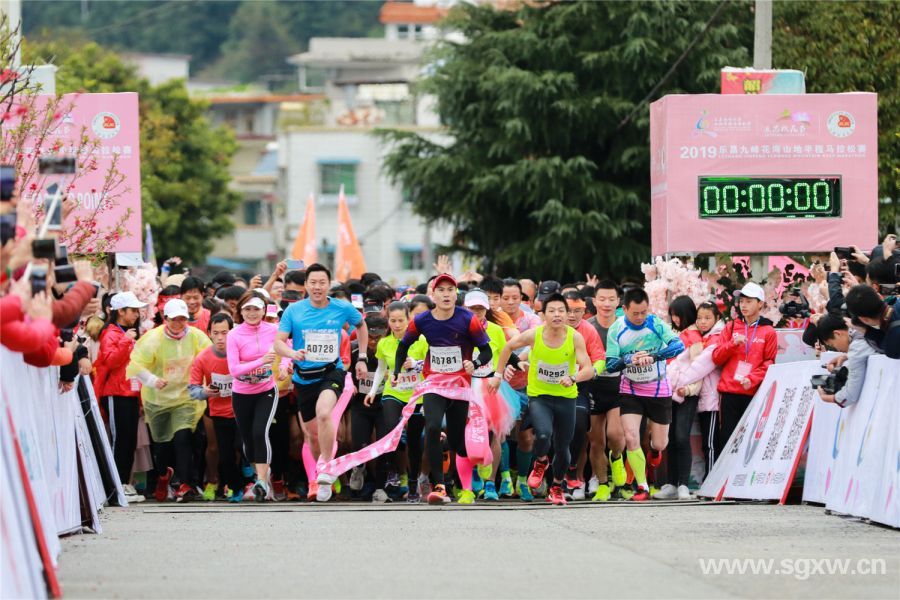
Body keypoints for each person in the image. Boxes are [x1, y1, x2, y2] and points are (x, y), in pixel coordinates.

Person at [393, 273, 493, 505]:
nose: (446, 294)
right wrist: (398, 371)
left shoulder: (468, 319)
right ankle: (439, 486)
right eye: (441, 290)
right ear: (433, 294)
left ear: (455, 294)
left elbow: (486, 351)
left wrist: (474, 363)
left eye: (450, 290)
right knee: (433, 427)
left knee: (457, 441)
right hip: (435, 383)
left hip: (459, 385)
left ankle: (468, 464)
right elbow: (403, 347)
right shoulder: (422, 320)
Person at [275, 263, 368, 502]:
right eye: (313, 283)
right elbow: (278, 343)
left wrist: (363, 357)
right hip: (304, 378)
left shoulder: (341, 307)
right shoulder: (293, 311)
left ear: (329, 285)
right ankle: (320, 471)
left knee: (324, 413)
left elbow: (361, 324)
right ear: (306, 285)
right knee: (313, 436)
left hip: (331, 372)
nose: (317, 287)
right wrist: (291, 353)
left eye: (322, 282)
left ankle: (327, 467)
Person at [490, 293, 595, 505]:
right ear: (543, 315)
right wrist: (498, 375)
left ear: (567, 315)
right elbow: (508, 347)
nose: (557, 315)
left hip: (566, 398)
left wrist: (573, 377)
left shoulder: (574, 337)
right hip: (539, 397)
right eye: (552, 311)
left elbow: (589, 369)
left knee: (563, 446)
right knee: (544, 434)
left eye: (561, 311)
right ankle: (540, 461)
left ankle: (556, 487)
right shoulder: (534, 335)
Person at [126, 299, 211, 502]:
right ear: (166, 319)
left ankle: (184, 484)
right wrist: (153, 380)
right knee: (162, 445)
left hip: (186, 398)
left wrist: (205, 386)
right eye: (174, 319)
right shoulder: (152, 339)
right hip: (158, 401)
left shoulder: (197, 337)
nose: (178, 323)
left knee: (183, 438)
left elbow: (209, 360)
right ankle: (164, 476)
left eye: (183, 319)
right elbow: (135, 366)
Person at [605, 288, 685, 501]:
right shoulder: (616, 329)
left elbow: (679, 345)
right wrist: (628, 361)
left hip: (658, 389)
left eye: (643, 312)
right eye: (635, 313)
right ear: (624, 309)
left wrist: (654, 356)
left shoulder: (655, 324)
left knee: (660, 443)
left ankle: (654, 450)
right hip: (630, 389)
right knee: (631, 437)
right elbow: (610, 365)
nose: (640, 317)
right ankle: (642, 486)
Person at [365, 304, 429, 501]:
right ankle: (385, 480)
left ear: (408, 320)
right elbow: (380, 369)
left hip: (417, 395)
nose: (397, 324)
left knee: (414, 439)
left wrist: (416, 364)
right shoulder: (385, 343)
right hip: (393, 393)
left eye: (401, 320)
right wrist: (373, 391)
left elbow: (430, 365)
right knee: (389, 432)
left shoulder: (421, 340)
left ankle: (412, 484)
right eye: (393, 321)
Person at [226, 291, 286, 502]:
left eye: (256, 309)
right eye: (247, 309)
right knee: (248, 441)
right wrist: (261, 361)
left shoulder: (274, 330)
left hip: (266, 391)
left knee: (261, 431)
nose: (252, 313)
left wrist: (285, 366)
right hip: (241, 393)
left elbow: (287, 348)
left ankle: (261, 481)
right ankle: (260, 471)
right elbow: (234, 369)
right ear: (240, 311)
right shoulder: (234, 335)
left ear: (263, 310)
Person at [94, 291, 147, 503]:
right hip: (116, 394)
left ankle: (123, 483)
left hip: (130, 392)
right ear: (120, 311)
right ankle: (114, 488)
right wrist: (125, 341)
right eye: (132, 310)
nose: (136, 314)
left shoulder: (127, 333)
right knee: (119, 441)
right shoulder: (111, 334)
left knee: (128, 441)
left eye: (137, 310)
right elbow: (111, 363)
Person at [712, 282, 778, 448]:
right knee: (727, 441)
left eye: (749, 301)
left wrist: (753, 378)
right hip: (729, 392)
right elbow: (716, 358)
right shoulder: (731, 326)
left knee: (750, 442)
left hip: (754, 392)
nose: (744, 305)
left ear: (760, 303)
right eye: (741, 301)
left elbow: (770, 362)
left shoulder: (768, 331)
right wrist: (732, 344)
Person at [189, 313, 246, 502]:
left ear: (233, 332)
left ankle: (249, 474)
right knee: (225, 456)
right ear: (209, 334)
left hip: (241, 410)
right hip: (219, 413)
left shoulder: (242, 352)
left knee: (242, 446)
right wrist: (205, 392)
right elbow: (193, 390)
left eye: (225, 332)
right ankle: (236, 488)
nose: (221, 338)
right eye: (216, 333)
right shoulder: (203, 358)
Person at [654, 296, 703, 501]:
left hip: (685, 393)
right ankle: (672, 483)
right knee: (670, 439)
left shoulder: (694, 337)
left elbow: (699, 367)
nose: (675, 318)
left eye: (678, 314)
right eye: (672, 314)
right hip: (668, 391)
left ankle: (683, 483)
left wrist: (689, 389)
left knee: (682, 436)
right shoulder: (673, 334)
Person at [586, 280, 628, 502]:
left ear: (618, 301)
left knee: (615, 434)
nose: (606, 303)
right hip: (593, 387)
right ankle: (603, 484)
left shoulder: (625, 325)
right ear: (594, 301)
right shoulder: (587, 327)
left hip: (618, 386)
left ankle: (618, 458)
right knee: (596, 441)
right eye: (602, 299)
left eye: (611, 299)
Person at [562, 290, 606, 500]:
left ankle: (575, 475)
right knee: (547, 432)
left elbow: (599, 357)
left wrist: (593, 370)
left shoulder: (589, 330)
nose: (572, 315)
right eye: (568, 310)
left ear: (584, 311)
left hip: (578, 385)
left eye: (578, 311)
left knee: (579, 426)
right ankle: (554, 477)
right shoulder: (548, 327)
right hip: (548, 386)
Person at [501, 278, 542, 500]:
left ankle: (523, 480)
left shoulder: (532, 319)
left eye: (515, 298)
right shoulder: (495, 319)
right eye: (505, 298)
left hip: (528, 384)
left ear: (522, 298)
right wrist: (505, 366)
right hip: (502, 385)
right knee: (502, 434)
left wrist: (515, 361)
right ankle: (505, 479)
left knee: (526, 437)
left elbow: (534, 342)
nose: (510, 302)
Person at [814, 313, 875, 407]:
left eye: (832, 345)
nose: (837, 349)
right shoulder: (862, 329)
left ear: (837, 333)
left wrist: (826, 397)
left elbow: (850, 395)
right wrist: (847, 356)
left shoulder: (856, 347)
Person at [845, 284, 899, 358]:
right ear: (879, 296)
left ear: (864, 319)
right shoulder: (897, 301)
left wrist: (867, 332)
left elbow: (883, 343)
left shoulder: (891, 346)